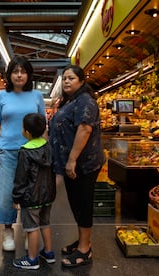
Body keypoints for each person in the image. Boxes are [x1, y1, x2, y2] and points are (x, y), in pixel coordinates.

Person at [49, 64, 105, 267]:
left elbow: (84, 129)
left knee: (83, 203)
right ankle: (83, 241)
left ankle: (85, 250)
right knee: (76, 203)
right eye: (64, 78)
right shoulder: (71, 101)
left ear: (81, 81)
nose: (66, 81)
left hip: (83, 163)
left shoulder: (85, 101)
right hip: (72, 164)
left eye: (71, 78)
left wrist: (72, 160)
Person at [0, 56, 46, 252]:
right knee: (6, 193)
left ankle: (31, 231)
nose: (19, 75)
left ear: (29, 75)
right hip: (7, 152)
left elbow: (42, 126)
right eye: (15, 71)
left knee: (32, 193)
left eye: (23, 71)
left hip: (32, 153)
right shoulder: (1, 96)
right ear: (9, 74)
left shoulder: (37, 96)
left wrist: (45, 151)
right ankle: (7, 231)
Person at [12, 113, 56, 269]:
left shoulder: (25, 151)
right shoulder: (48, 146)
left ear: (27, 132)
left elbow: (21, 178)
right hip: (48, 195)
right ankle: (49, 253)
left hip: (31, 197)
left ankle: (32, 259)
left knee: (32, 227)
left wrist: (16, 197)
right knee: (45, 223)